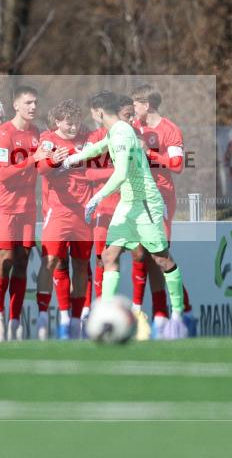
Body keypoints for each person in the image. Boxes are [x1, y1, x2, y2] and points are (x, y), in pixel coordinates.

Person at [64, 92, 188, 339]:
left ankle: (177, 315)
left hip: (145, 203)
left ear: (99, 111)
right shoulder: (118, 129)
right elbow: (102, 146)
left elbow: (120, 174)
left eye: (92, 112)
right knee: (109, 255)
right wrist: (73, 159)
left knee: (161, 259)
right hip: (127, 203)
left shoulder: (121, 131)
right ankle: (105, 312)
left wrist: (96, 198)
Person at [131, 84, 197, 336]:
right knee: (140, 255)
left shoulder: (170, 130)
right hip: (137, 197)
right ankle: (155, 317)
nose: (133, 110)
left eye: (136, 105)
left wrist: (151, 155)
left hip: (161, 197)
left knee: (160, 258)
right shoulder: (134, 128)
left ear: (146, 105)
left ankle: (184, 312)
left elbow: (178, 165)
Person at [0, 85, 50, 341]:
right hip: (4, 205)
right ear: (16, 105)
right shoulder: (3, 133)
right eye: (28, 103)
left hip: (27, 207)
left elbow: (44, 167)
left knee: (23, 260)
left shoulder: (38, 133)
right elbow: (2, 173)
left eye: (35, 102)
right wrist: (32, 159)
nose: (33, 107)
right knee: (5, 259)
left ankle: (15, 320)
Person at [35, 99, 91, 339]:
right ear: (58, 121)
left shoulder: (86, 137)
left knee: (80, 266)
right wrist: (53, 159)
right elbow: (40, 168)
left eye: (76, 122)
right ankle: (43, 316)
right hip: (58, 212)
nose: (73, 127)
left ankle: (76, 320)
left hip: (84, 214)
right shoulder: (48, 139)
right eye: (69, 123)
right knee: (50, 262)